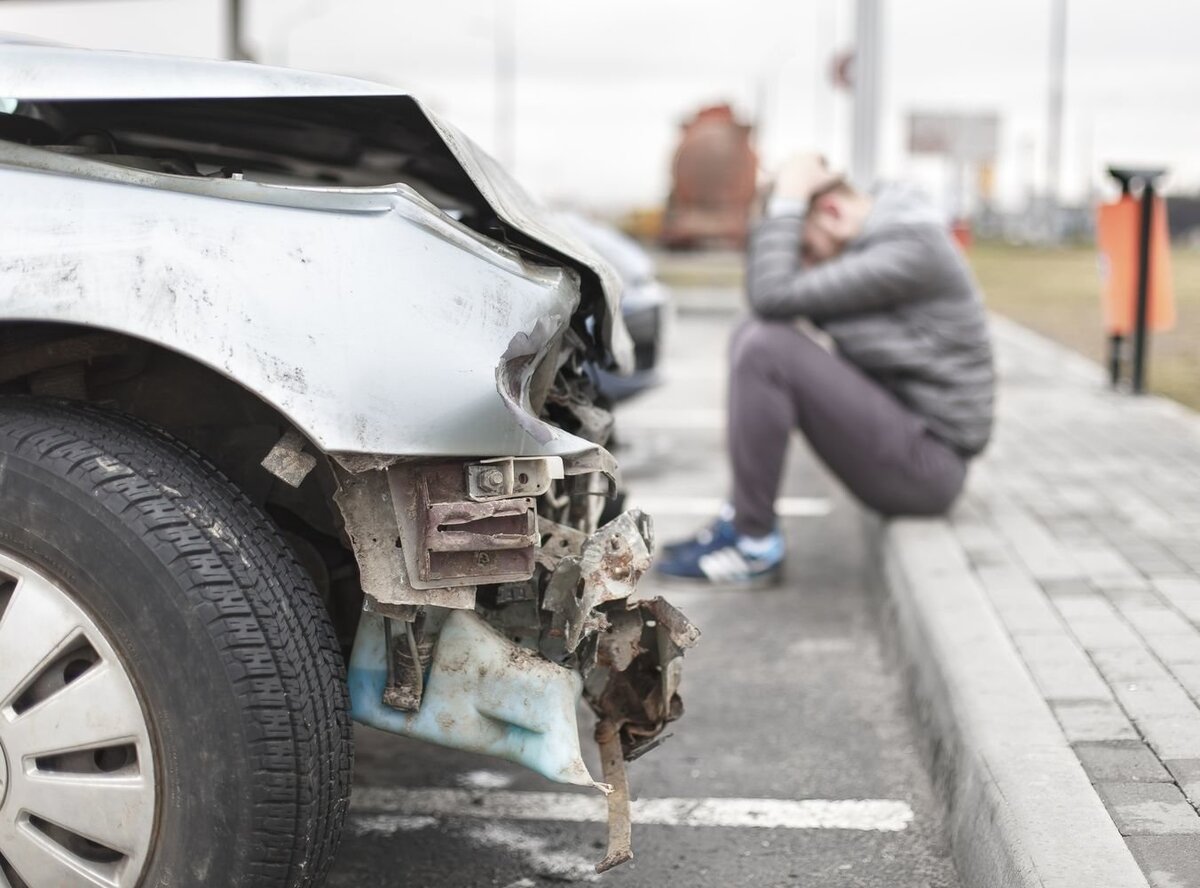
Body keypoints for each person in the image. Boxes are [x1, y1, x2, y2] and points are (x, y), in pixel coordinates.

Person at [657, 153, 995, 585]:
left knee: (766, 346)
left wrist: (788, 199)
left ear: (832, 213)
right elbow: (771, 298)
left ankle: (753, 544)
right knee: (757, 330)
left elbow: (774, 292)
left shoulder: (911, 248)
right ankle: (741, 519)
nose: (806, 269)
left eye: (807, 252)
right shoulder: (892, 238)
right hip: (910, 441)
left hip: (929, 466)